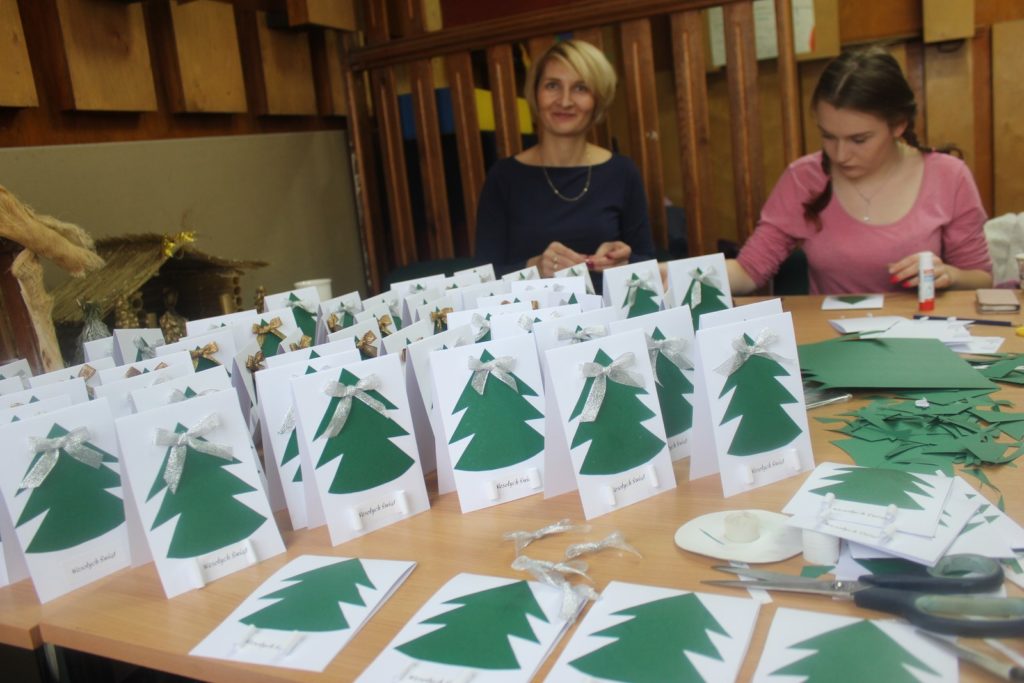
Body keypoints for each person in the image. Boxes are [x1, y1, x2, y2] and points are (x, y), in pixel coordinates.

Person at [727, 47, 991, 295]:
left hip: (924, 325)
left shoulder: (948, 176)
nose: (840, 155)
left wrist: (950, 275)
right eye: (828, 136)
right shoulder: (803, 178)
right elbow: (750, 269)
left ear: (898, 125)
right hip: (828, 327)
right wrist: (702, 278)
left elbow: (981, 279)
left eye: (859, 140)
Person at [474, 39, 656, 286]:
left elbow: (648, 265)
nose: (565, 101)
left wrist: (625, 262)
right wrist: (535, 267)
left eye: (580, 88)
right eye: (552, 85)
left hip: (609, 308)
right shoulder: (503, 177)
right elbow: (482, 278)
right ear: (535, 94)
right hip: (529, 310)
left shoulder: (623, 172)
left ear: (598, 100)